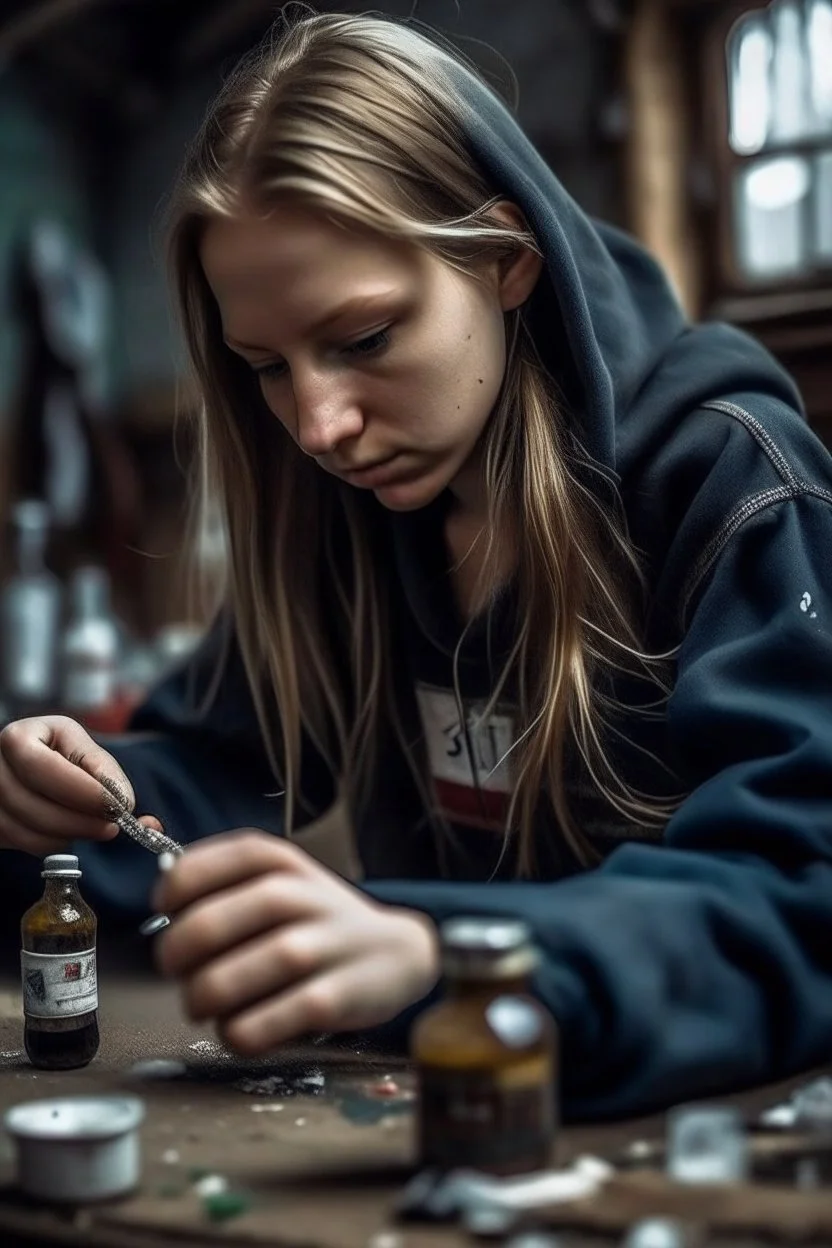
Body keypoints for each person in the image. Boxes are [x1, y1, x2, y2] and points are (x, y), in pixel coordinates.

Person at [1, 10, 831, 1122]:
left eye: (363, 339)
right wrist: (75, 798)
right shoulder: (346, 507)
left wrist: (439, 959)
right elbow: (215, 770)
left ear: (503, 262)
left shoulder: (734, 488)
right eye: (267, 367)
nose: (318, 424)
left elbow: (799, 898)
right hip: (442, 1121)